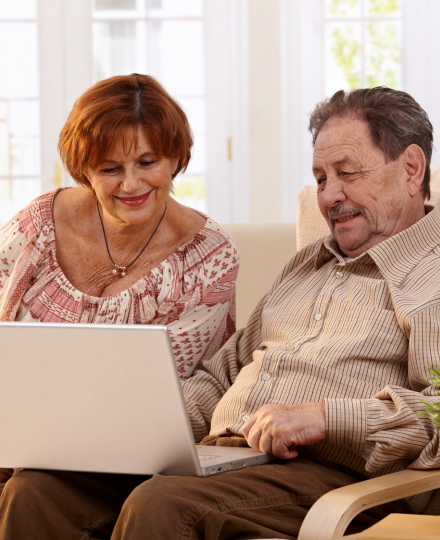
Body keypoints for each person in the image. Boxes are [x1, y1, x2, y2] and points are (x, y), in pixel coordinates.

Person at [1, 86, 440, 539]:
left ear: (411, 169)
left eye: (347, 174)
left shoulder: (433, 275)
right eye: (322, 178)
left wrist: (325, 417)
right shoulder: (309, 263)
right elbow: (224, 372)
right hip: (225, 456)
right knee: (36, 490)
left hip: (327, 473)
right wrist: (127, 426)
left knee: (164, 505)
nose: (329, 196)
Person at [0, 73, 238, 516]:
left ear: (173, 158)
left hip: (133, 466)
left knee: (28, 490)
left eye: (147, 163)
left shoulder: (209, 257)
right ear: (86, 171)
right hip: (16, 439)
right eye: (110, 169)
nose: (130, 185)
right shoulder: (38, 224)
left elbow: (169, 402)